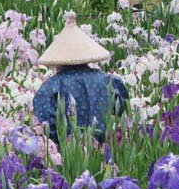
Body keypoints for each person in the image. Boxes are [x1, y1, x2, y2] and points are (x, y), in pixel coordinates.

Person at [33, 12, 128, 143]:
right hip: (105, 152)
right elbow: (123, 112)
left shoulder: (51, 87)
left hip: (67, 155)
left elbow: (45, 126)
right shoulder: (108, 81)